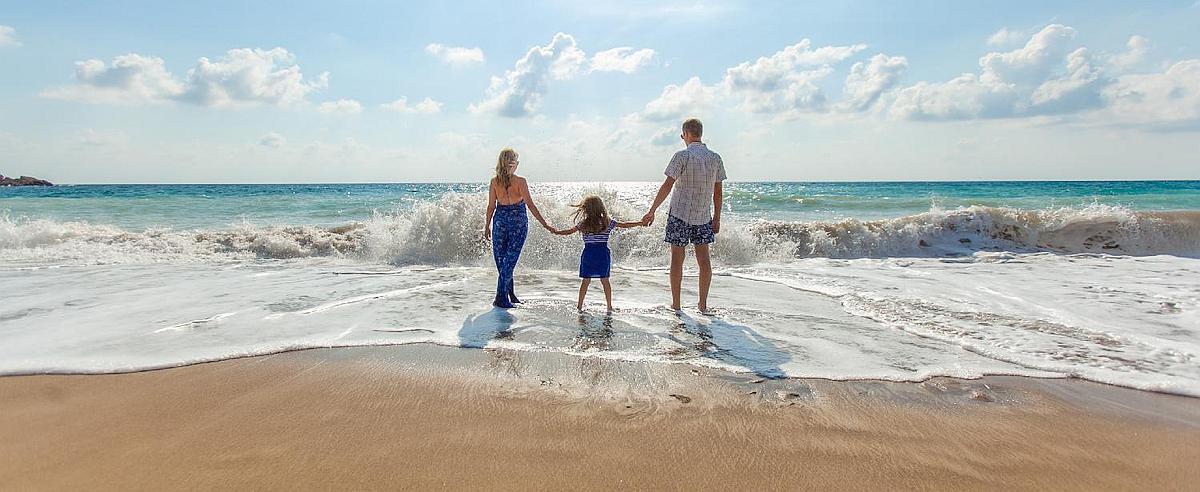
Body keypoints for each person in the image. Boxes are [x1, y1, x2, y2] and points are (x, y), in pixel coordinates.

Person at [640, 118, 726, 312]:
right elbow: (718, 193)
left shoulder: (682, 156)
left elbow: (668, 185)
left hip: (679, 214)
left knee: (677, 260)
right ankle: (702, 305)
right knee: (704, 260)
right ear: (700, 134)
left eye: (682, 135)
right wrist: (717, 218)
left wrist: (652, 210)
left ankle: (676, 305)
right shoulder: (715, 158)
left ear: (686, 134)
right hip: (703, 216)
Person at [484, 148, 553, 309]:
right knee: (507, 262)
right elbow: (530, 205)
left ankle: (510, 295)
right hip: (517, 223)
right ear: (512, 163)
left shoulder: (495, 181)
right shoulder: (520, 181)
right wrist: (545, 224)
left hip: (500, 222)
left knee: (504, 262)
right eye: (516, 161)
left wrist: (487, 225)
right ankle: (501, 298)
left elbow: (491, 207)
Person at [550, 195, 643, 312]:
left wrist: (556, 232)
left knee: (585, 281)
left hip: (589, 254)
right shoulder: (607, 222)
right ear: (601, 208)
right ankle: (609, 306)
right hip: (602, 254)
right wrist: (640, 223)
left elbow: (568, 232)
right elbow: (624, 225)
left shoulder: (584, 224)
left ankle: (579, 306)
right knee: (605, 280)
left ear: (586, 209)